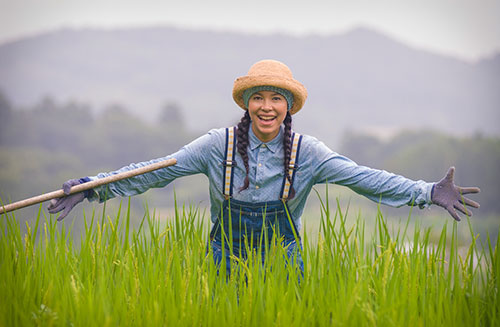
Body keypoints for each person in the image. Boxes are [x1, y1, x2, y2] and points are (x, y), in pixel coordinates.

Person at [47, 59, 480, 274]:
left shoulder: (308, 153)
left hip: (283, 261)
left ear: (289, 106)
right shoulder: (218, 145)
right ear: (248, 103)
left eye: (276, 98)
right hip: (223, 259)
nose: (267, 107)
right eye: (258, 97)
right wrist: (95, 186)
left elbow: (364, 178)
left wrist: (426, 191)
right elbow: (156, 170)